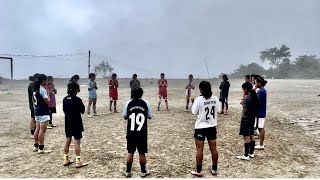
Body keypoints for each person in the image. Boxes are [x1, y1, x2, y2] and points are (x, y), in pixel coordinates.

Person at [122, 88, 152, 178]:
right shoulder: (145, 103)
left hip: (131, 132)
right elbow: (150, 116)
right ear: (142, 94)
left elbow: (125, 116)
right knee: (142, 152)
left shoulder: (128, 103)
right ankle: (143, 171)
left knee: (130, 151)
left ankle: (128, 171)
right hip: (142, 132)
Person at [191, 81, 219, 177]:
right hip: (212, 127)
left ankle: (198, 170)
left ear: (201, 90)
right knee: (213, 149)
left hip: (200, 127)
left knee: (199, 150)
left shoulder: (199, 99)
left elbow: (194, 112)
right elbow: (218, 110)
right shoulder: (215, 98)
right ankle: (214, 169)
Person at [63, 82, 88, 168]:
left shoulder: (65, 99)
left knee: (67, 140)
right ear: (76, 90)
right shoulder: (77, 100)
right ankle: (78, 161)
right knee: (77, 141)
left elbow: (64, 110)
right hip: (76, 122)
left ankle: (66, 159)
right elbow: (82, 110)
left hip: (67, 122)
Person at [237, 82, 259, 160]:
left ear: (246, 89)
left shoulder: (248, 97)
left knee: (246, 137)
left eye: (243, 90)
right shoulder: (254, 96)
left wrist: (242, 104)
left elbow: (245, 110)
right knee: (251, 135)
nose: (243, 91)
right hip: (252, 118)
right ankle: (251, 153)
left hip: (246, 119)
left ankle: (246, 155)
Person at [33, 74, 52, 154]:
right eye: (46, 80)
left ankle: (36, 146)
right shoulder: (42, 89)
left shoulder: (35, 88)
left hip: (36, 110)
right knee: (42, 130)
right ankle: (41, 148)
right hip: (43, 111)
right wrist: (48, 94)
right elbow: (47, 101)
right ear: (43, 80)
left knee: (37, 129)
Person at [255, 76, 268, 150]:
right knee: (260, 128)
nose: (255, 84)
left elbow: (258, 102)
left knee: (260, 128)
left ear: (259, 83)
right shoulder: (263, 90)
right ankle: (261, 143)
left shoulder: (261, 91)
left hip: (260, 112)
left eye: (256, 82)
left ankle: (261, 144)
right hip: (261, 112)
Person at [28, 74, 38, 138]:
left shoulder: (33, 85)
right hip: (33, 104)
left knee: (34, 118)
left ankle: (34, 131)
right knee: (32, 117)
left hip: (34, 104)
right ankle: (32, 132)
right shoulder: (31, 85)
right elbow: (33, 94)